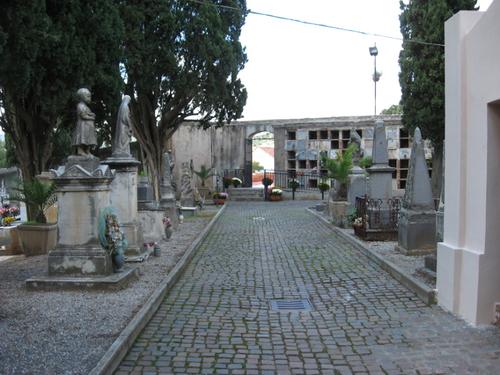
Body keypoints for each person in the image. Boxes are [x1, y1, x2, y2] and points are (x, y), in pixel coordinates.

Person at [73, 88, 97, 156]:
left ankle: (87, 151)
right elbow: (83, 116)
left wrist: (91, 114)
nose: (90, 98)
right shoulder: (80, 106)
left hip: (88, 127)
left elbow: (88, 113)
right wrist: (91, 118)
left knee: (88, 139)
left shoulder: (86, 107)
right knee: (82, 139)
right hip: (82, 126)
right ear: (82, 97)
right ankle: (80, 151)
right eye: (88, 96)